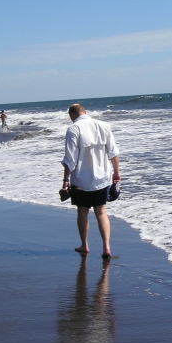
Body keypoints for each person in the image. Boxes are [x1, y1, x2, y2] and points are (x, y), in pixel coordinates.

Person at [61, 103, 121, 259]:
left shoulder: (73, 129)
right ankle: (107, 247)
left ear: (72, 115)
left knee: (82, 212)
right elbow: (113, 153)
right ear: (85, 112)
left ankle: (85, 245)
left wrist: (65, 181)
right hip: (103, 176)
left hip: (82, 180)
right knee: (101, 212)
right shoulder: (104, 125)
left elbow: (70, 160)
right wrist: (117, 173)